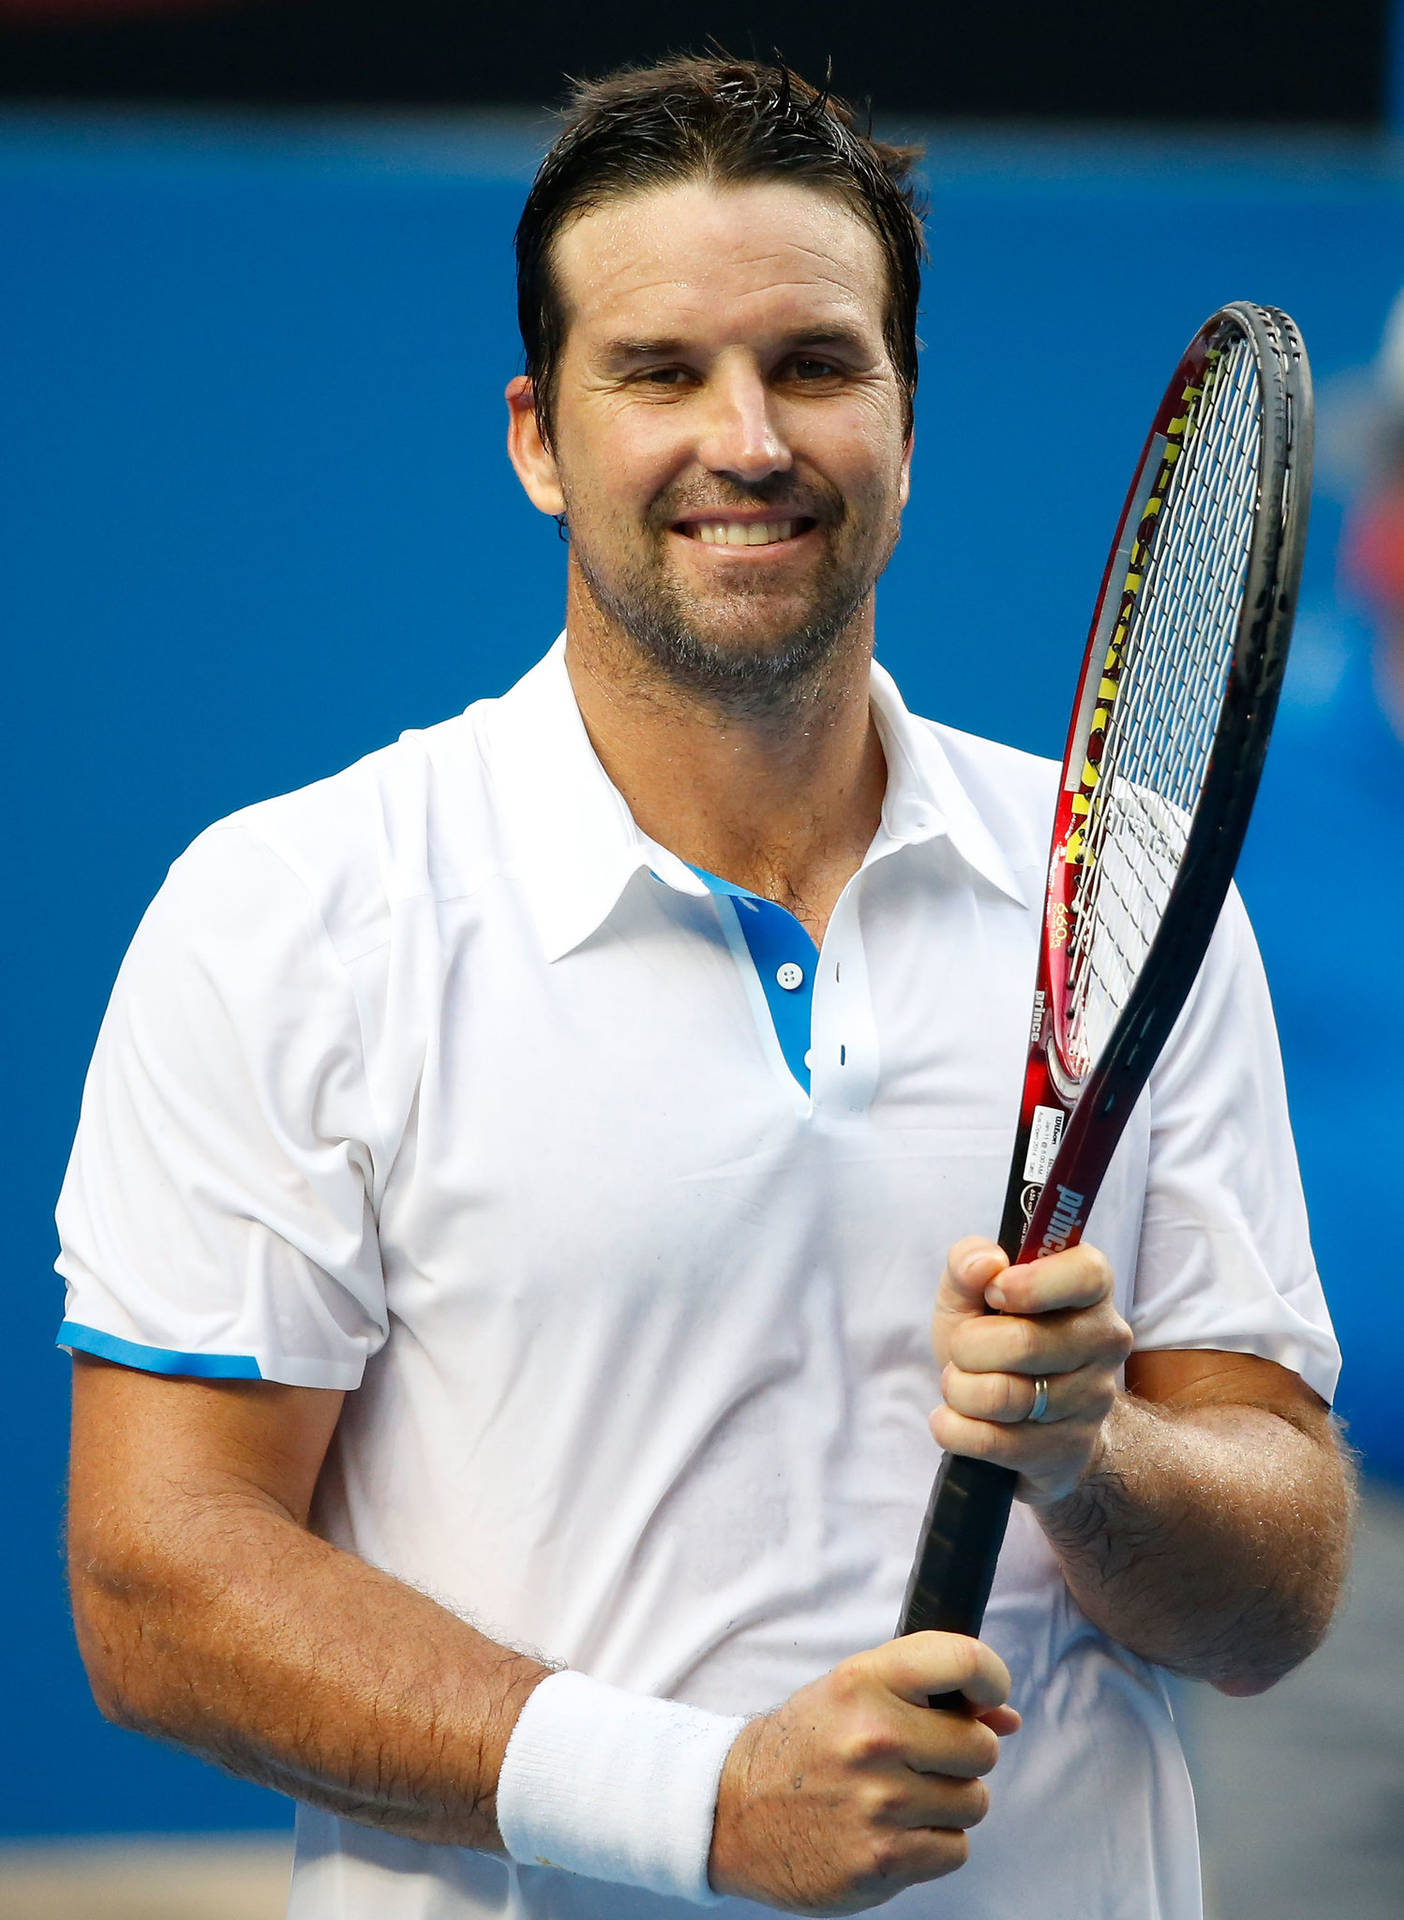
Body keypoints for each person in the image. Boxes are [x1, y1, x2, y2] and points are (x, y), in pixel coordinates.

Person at [57, 55, 1352, 1920]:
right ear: (537, 435)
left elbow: (1277, 1594)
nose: (747, 439)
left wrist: (1099, 1455)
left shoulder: (1130, 890)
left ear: (908, 418)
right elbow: (157, 1582)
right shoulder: (290, 912)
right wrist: (697, 1800)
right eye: (659, 372)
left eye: (817, 365)